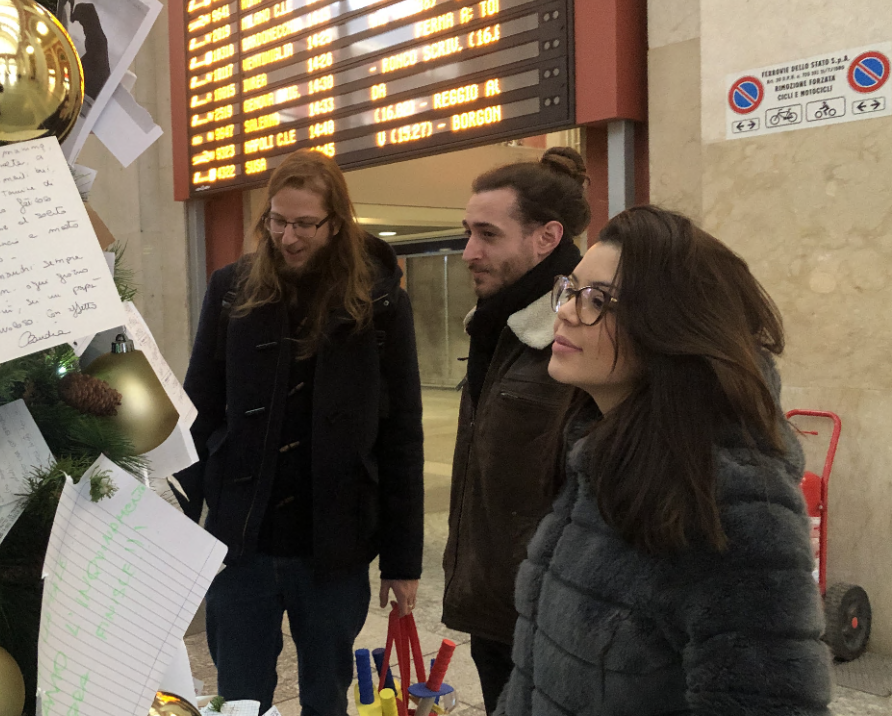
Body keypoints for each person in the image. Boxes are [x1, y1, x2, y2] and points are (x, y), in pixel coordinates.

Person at [495, 206, 832, 715]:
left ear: (671, 328)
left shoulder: (733, 507)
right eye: (570, 289)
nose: (564, 311)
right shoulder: (597, 456)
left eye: (597, 301)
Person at [177, 149, 424, 716]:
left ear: (335, 223)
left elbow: (402, 435)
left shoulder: (379, 304)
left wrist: (402, 562)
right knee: (239, 696)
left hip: (334, 545)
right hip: (243, 539)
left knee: (324, 695)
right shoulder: (232, 289)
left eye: (305, 224)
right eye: (277, 221)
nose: (288, 237)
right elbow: (199, 413)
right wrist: (182, 527)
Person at [442, 147, 591, 713]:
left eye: (488, 235)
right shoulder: (493, 327)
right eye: (467, 233)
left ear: (546, 238)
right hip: (497, 608)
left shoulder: (581, 335)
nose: (469, 253)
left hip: (558, 621)